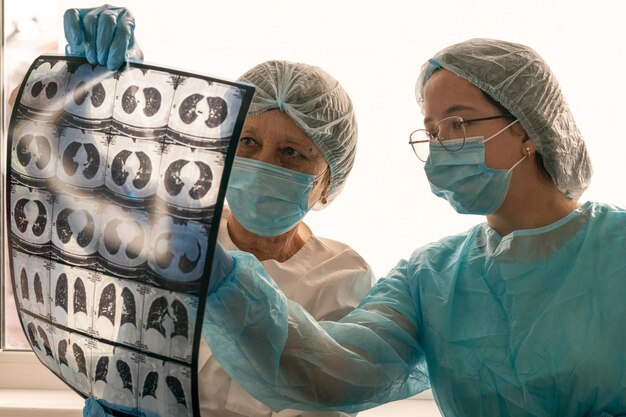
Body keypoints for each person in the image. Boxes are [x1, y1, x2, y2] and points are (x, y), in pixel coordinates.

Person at [201, 38, 626, 417]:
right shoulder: (430, 276)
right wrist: (229, 286)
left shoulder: (617, 247)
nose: (441, 146)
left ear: (528, 128)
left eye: (458, 124)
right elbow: (331, 371)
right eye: (431, 132)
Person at [61, 6, 375, 417]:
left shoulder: (344, 277)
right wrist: (103, 94)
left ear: (328, 182)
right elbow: (79, 172)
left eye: (292, 153)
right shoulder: (172, 229)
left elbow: (322, 395)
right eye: (247, 143)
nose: (265, 164)